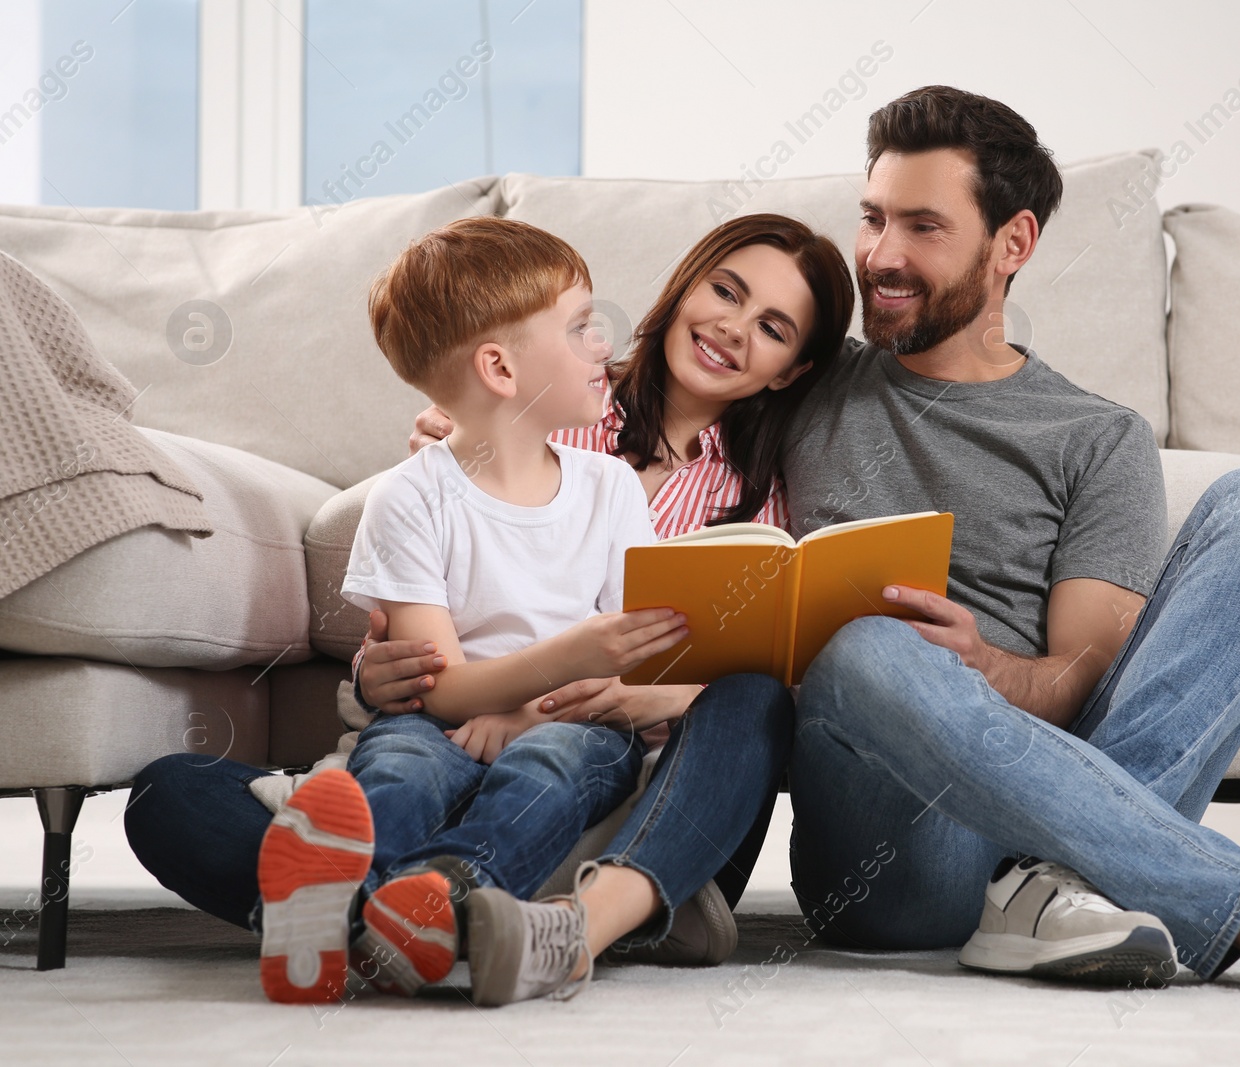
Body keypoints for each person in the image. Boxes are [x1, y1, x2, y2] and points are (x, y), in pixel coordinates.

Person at [126, 212, 854, 1007]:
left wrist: (620, 699)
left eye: (773, 327)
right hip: (441, 734)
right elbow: (423, 631)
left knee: (744, 706)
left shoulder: (759, 498)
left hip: (616, 775)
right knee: (171, 792)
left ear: (792, 368)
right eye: (726, 290)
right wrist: (383, 677)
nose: (732, 327)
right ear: (686, 286)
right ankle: (435, 915)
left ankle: (469, 904)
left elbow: (732, 686)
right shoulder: (533, 406)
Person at [779, 85, 1240, 994]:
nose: (880, 256)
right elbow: (651, 392)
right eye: (872, 218)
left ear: (1013, 243)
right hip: (891, 862)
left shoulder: (1097, 436)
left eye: (923, 227)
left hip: (1035, 815)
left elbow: (1083, 684)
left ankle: (1057, 891)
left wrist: (984, 668)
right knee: (866, 648)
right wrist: (478, 413)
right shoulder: (806, 379)